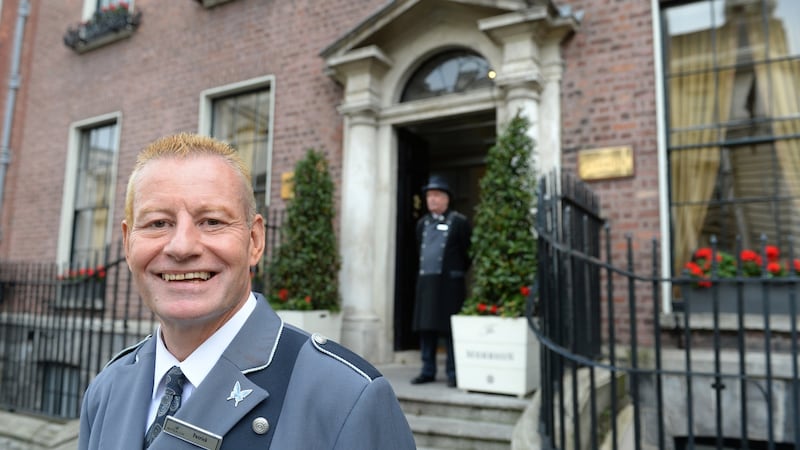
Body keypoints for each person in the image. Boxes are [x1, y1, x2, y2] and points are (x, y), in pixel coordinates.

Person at [78, 133, 415, 450]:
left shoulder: (347, 397)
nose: (181, 246)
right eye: (157, 224)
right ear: (127, 243)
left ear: (254, 241)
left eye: (211, 221)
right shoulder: (106, 390)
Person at [411, 175, 471, 388]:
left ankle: (453, 372)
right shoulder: (422, 224)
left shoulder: (459, 222)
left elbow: (466, 253)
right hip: (427, 283)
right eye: (429, 195)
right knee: (426, 329)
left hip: (449, 285)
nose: (432, 200)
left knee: (450, 331)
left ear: (446, 198)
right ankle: (427, 370)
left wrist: (454, 272)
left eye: (436, 195)